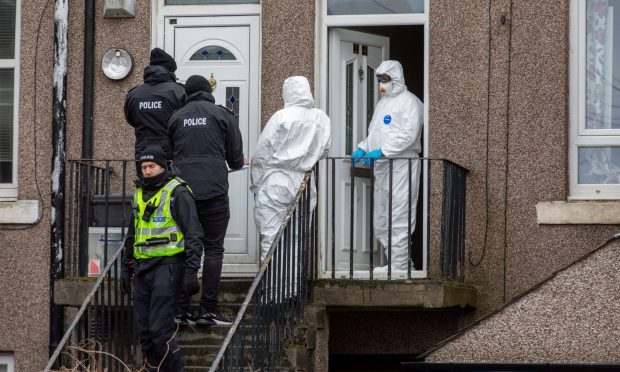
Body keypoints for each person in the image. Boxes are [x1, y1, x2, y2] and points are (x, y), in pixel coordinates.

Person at [168, 75, 245, 326]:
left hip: (182, 192)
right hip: (214, 190)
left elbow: (169, 153)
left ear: (187, 93)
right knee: (213, 249)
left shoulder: (176, 117)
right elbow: (235, 158)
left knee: (184, 248)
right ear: (208, 92)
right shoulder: (222, 115)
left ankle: (180, 309)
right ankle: (207, 310)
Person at [120, 145, 203, 371]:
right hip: (144, 268)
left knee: (160, 331)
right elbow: (132, 234)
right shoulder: (138, 194)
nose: (146, 171)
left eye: (151, 166)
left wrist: (191, 271)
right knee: (144, 332)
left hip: (168, 268)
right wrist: (125, 269)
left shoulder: (177, 192)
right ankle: (153, 368)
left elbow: (194, 233)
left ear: (163, 166)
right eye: (143, 167)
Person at [350, 60, 424, 273]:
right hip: (383, 166)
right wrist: (363, 148)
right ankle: (400, 262)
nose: (382, 84)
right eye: (380, 80)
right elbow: (376, 133)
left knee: (399, 214)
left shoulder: (410, 102)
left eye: (386, 80)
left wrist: (384, 150)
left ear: (396, 78)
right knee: (382, 216)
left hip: (402, 164)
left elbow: (408, 135)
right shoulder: (383, 103)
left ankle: (399, 266)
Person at [251, 76, 331, 262]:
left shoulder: (281, 116)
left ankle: (272, 289)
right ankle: (291, 289)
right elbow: (325, 150)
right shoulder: (321, 118)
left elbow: (262, 153)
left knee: (271, 236)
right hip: (304, 180)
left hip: (276, 179)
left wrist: (256, 184)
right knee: (297, 237)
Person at [124, 48, 185, 170]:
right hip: (171, 152)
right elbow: (185, 120)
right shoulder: (179, 91)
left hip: (143, 151)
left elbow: (131, 119)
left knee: (146, 185)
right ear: (170, 71)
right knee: (171, 186)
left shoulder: (134, 94)